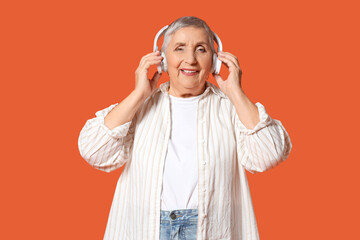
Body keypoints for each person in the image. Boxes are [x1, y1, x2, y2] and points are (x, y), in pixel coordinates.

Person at [78, 16, 292, 240]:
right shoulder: (140, 107)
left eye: (201, 49)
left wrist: (236, 93)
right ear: (161, 59)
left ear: (215, 61)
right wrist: (138, 95)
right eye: (179, 48)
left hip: (211, 230)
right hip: (147, 228)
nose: (190, 59)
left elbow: (269, 154)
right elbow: (93, 151)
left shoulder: (231, 108)